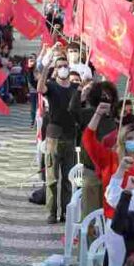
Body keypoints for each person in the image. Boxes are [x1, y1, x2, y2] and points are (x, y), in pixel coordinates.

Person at [37, 55, 79, 224]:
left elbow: (86, 97)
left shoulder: (76, 88)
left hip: (70, 137)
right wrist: (46, 68)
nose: (63, 68)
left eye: (65, 65)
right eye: (60, 66)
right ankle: (52, 213)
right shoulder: (52, 87)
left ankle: (67, 213)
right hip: (54, 137)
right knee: (52, 179)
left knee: (69, 179)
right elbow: (40, 88)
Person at [70, 81, 119, 220]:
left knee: (110, 213)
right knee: (90, 214)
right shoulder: (88, 114)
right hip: (91, 172)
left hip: (111, 172)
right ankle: (89, 241)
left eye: (109, 95)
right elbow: (73, 110)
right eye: (103, 95)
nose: (106, 98)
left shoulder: (116, 118)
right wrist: (80, 91)